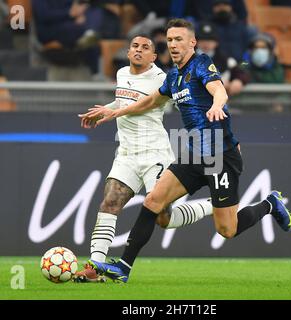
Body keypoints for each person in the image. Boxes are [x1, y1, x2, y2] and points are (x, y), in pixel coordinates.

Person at [79, 19, 291, 283]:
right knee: (153, 202)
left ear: (192, 42)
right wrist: (115, 112)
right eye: (169, 40)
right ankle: (124, 267)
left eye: (179, 39)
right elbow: (149, 102)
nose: (173, 44)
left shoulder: (201, 64)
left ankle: (269, 204)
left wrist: (217, 104)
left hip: (218, 152)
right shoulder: (173, 76)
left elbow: (219, 90)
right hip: (191, 151)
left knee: (227, 229)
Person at [75, 34, 213, 282]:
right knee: (110, 203)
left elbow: (147, 104)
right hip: (126, 154)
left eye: (145, 47)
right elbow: (123, 100)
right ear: (128, 52)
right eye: (135, 46)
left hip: (155, 155)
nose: (139, 50)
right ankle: (95, 268)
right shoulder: (121, 74)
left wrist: (113, 112)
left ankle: (213, 206)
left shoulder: (162, 78)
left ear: (153, 57)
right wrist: (105, 110)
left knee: (164, 218)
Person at [196, 21, 249, 96]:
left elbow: (242, 73)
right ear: (196, 42)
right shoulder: (186, 59)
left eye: (210, 39)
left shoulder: (227, 61)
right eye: (202, 39)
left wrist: (238, 81)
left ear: (216, 42)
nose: (206, 43)